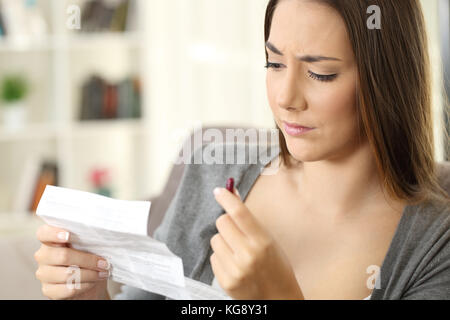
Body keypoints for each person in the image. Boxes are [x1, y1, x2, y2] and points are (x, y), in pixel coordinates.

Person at [34, 0, 450, 300]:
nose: (287, 97)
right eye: (274, 64)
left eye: (320, 74)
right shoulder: (216, 169)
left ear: (386, 79)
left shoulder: (435, 244)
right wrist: (88, 295)